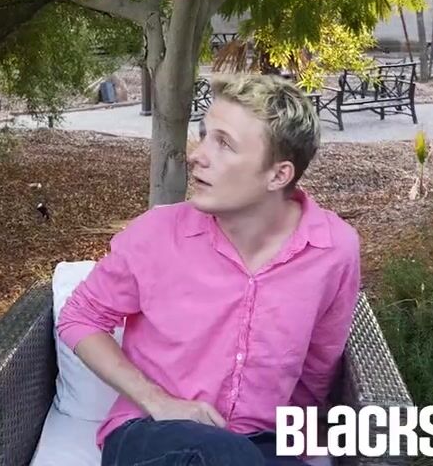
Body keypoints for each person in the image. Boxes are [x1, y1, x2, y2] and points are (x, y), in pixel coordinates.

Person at [57, 74, 361, 466]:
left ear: (278, 175)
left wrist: (302, 442)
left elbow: (319, 362)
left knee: (236, 455)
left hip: (261, 441)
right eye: (204, 136)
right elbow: (80, 317)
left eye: (224, 144)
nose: (198, 155)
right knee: (219, 452)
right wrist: (156, 400)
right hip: (153, 433)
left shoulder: (333, 250)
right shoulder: (156, 234)